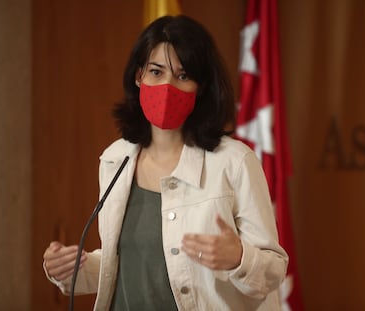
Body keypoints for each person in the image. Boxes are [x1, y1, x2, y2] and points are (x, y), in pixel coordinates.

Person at [43, 15, 288, 310]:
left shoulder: (235, 162)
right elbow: (129, 265)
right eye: (156, 72)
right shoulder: (115, 159)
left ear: (201, 87)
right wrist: (72, 268)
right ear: (138, 76)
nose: (167, 86)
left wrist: (239, 258)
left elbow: (273, 269)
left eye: (183, 76)